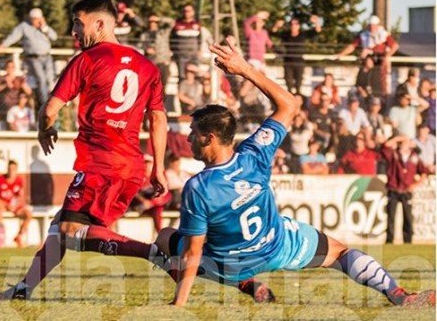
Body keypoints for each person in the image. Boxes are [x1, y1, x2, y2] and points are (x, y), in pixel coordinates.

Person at [152, 37, 435, 308]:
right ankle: (396, 293)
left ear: (209, 138)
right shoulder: (255, 152)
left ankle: (244, 282)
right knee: (340, 253)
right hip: (276, 246)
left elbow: (193, 251)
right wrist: (245, 69)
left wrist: (179, 304)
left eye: (193, 132)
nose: (188, 138)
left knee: (166, 238)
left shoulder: (199, 186)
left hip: (230, 264)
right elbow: (289, 104)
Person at [0, 0, 169, 301]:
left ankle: (155, 253)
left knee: (70, 231)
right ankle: (24, 289)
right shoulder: (148, 67)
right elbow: (157, 119)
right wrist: (159, 168)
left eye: (78, 23)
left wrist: (44, 129)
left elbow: (50, 109)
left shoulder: (87, 59)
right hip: (131, 166)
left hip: (100, 162)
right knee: (61, 228)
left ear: (100, 25)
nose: (73, 31)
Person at [0, 8, 58, 105]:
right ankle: (45, 103)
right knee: (41, 80)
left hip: (47, 57)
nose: (37, 21)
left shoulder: (44, 28)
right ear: (31, 19)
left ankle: (52, 101)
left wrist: (45, 28)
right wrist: (4, 45)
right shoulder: (24, 26)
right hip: (33, 58)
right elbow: (14, 36)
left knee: (50, 80)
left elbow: (54, 37)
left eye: (39, 19)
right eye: (35, 19)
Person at [379, 135, 433, 244]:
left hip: (407, 190)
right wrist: (399, 138)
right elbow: (385, 146)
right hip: (393, 189)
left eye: (407, 142)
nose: (404, 144)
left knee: (408, 217)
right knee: (391, 216)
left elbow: (424, 172)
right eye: (403, 142)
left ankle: (408, 240)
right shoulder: (394, 154)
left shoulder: (414, 157)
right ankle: (389, 240)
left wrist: (416, 184)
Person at [336, 15, 398, 95]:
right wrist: (342, 54)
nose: (372, 28)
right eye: (371, 25)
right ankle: (362, 86)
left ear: (377, 25)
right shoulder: (364, 35)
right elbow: (353, 46)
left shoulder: (383, 34)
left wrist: (387, 56)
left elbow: (395, 46)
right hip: (368, 57)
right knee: (366, 67)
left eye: (374, 25)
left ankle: (376, 91)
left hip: (380, 61)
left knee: (379, 82)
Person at [271, 14, 321, 95]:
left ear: (299, 26)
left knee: (298, 84)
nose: (293, 26)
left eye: (296, 24)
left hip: (299, 62)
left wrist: (316, 22)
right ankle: (289, 98)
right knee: (289, 83)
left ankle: (298, 98)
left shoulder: (303, 34)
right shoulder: (286, 34)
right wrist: (276, 25)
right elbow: (273, 32)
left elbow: (317, 31)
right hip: (288, 61)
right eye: (292, 24)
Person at [0, 160, 32, 247]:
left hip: (13, 205)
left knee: (28, 214)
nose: (11, 171)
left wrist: (14, 205)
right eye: (10, 169)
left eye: (13, 169)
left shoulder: (19, 181)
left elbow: (20, 196)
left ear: (16, 170)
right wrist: (6, 204)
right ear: (7, 169)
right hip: (1, 204)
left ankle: (19, 236)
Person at [170, 3, 201, 81]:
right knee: (182, 76)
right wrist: (172, 51)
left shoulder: (197, 23)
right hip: (181, 55)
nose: (186, 12)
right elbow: (171, 38)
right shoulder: (177, 23)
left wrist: (199, 50)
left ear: (193, 12)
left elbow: (200, 38)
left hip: (194, 55)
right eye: (185, 11)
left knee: (195, 75)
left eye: (189, 11)